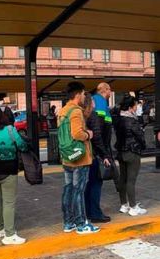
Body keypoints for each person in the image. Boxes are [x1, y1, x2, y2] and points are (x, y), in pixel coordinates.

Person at [0, 105, 27, 245]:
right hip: (8, 170)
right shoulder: (10, 130)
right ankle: (9, 234)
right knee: (9, 203)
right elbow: (21, 145)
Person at [58, 82, 98, 234]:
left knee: (68, 189)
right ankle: (81, 224)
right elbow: (77, 133)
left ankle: (69, 222)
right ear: (77, 94)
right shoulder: (76, 111)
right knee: (78, 190)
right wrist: (88, 134)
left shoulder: (63, 110)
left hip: (68, 156)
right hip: (79, 157)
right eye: (82, 93)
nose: (83, 96)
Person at [115, 95, 147, 216]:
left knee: (123, 179)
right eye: (135, 105)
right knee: (131, 180)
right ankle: (133, 207)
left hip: (121, 152)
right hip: (132, 152)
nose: (136, 107)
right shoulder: (132, 121)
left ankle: (124, 205)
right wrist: (143, 146)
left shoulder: (118, 119)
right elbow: (140, 137)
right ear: (130, 107)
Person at [86, 83, 114, 223]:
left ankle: (89, 212)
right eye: (110, 89)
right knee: (95, 183)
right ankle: (95, 213)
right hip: (97, 152)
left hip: (93, 151)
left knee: (90, 183)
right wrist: (105, 155)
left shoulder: (96, 102)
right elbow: (98, 133)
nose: (111, 92)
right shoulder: (100, 103)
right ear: (105, 90)